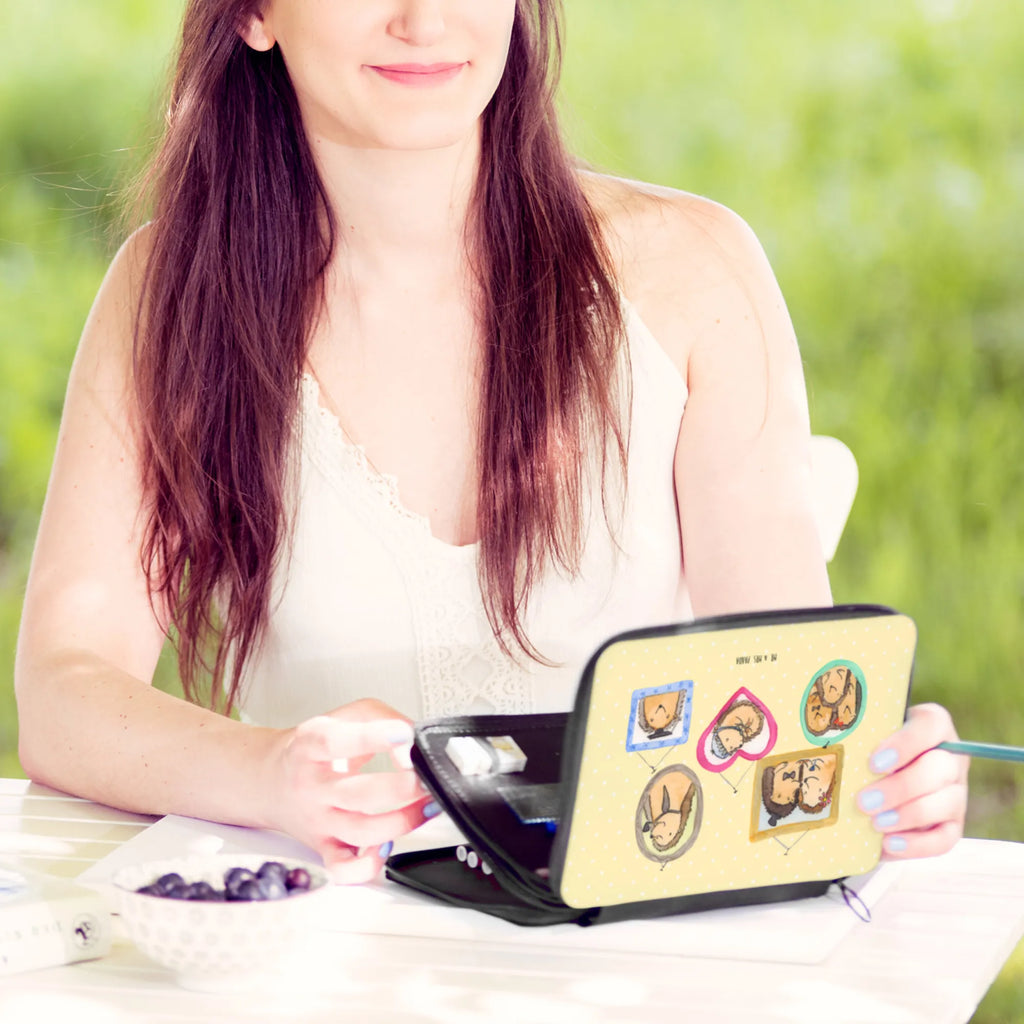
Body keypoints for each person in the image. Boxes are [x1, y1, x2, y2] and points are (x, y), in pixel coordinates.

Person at [14, 0, 968, 883]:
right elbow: (63, 696)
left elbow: (796, 701)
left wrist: (883, 777)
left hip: (641, 942)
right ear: (255, 13)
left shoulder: (692, 275)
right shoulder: (175, 294)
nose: (424, 20)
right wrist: (269, 770)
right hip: (320, 944)